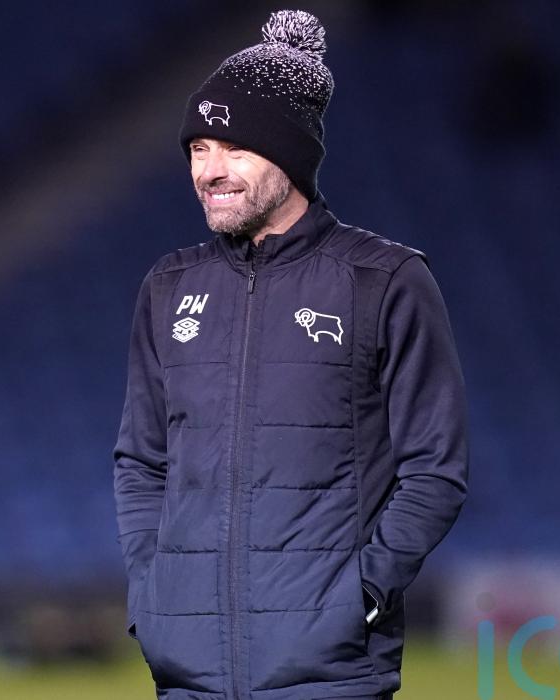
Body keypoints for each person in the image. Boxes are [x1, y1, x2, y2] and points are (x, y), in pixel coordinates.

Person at [113, 10, 468, 699]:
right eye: (198, 149)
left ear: (290, 155)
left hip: (327, 674)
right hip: (186, 675)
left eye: (235, 149)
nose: (209, 171)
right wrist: (153, 595)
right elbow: (141, 460)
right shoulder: (168, 286)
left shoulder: (385, 280)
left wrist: (360, 597)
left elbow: (435, 470)